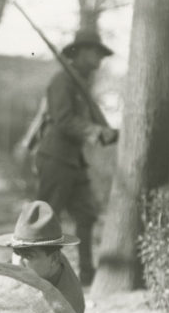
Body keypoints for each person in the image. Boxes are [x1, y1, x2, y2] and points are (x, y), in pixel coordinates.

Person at [35, 28, 118, 286]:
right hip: (55, 157)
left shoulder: (81, 84)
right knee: (44, 220)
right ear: (80, 53)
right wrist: (95, 131)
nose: (100, 58)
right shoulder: (62, 81)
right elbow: (63, 119)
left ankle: (86, 275)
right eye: (96, 52)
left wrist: (106, 132)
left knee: (86, 214)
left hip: (74, 160)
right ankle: (33, 274)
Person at [0, 200, 85, 313]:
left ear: (54, 259)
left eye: (28, 256)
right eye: (16, 252)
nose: (18, 262)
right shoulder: (30, 265)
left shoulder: (67, 304)